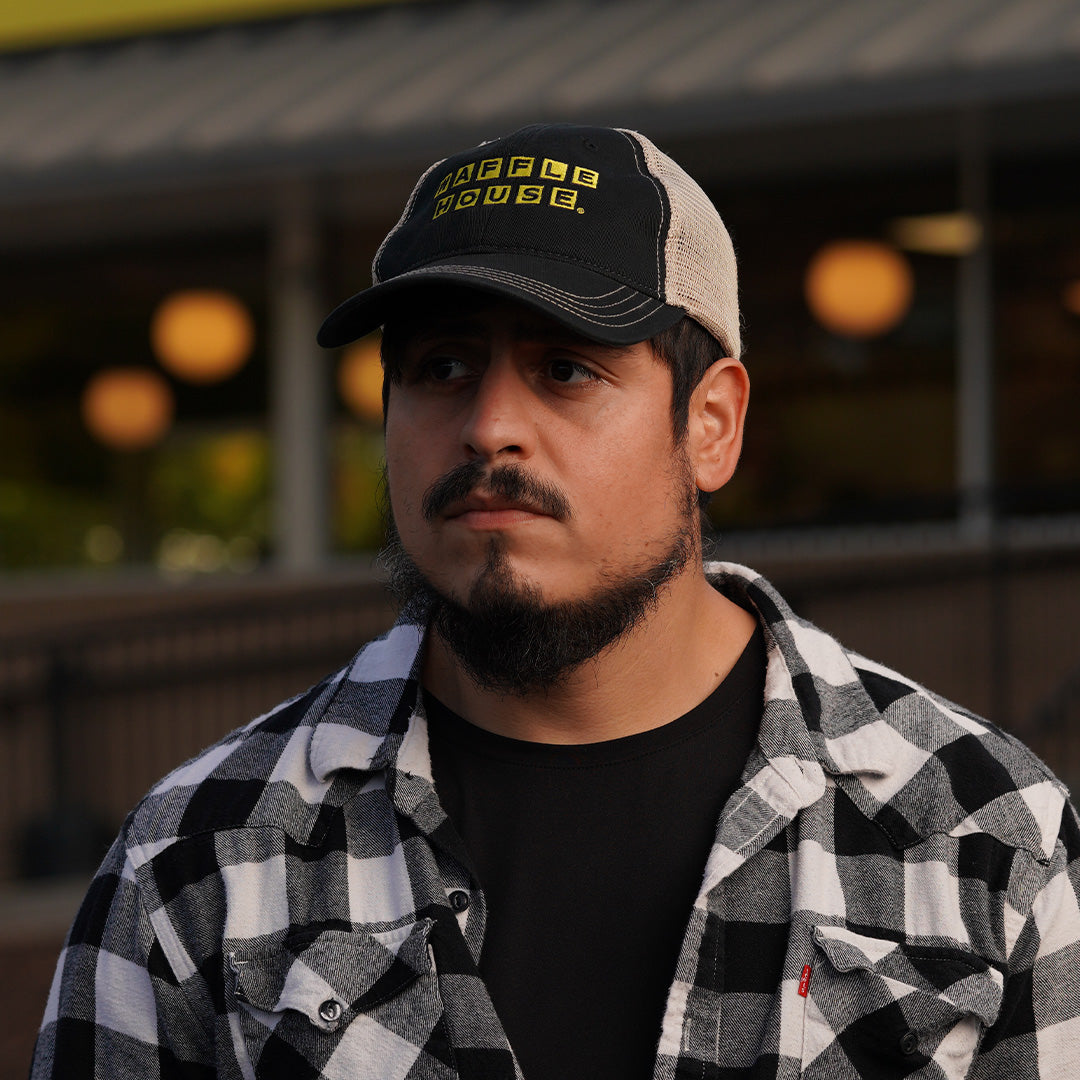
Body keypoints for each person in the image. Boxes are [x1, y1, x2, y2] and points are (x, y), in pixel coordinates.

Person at [32, 123, 1080, 1080]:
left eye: (567, 368)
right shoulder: (201, 861)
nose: (490, 426)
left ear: (710, 424)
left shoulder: (981, 837)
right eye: (441, 366)